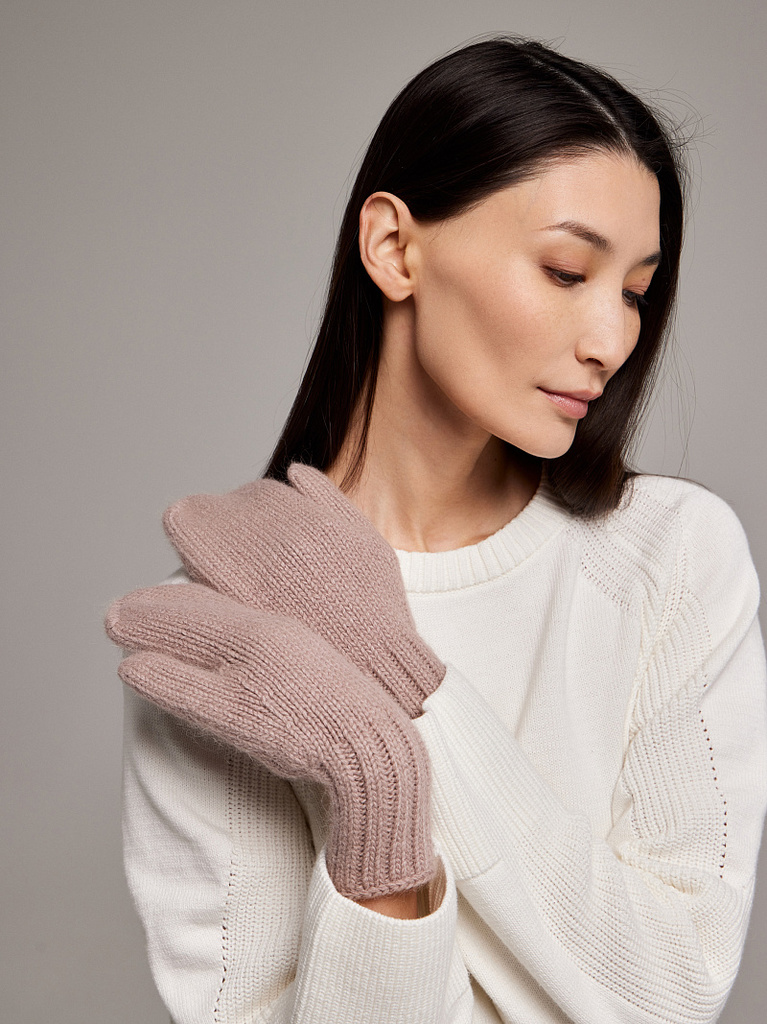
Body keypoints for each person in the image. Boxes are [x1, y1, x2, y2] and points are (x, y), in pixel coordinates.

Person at [105, 36, 767, 1024]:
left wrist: (402, 704)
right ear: (393, 248)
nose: (611, 340)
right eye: (564, 270)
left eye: (633, 291)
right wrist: (376, 805)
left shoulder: (671, 555)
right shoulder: (218, 641)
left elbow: (670, 994)